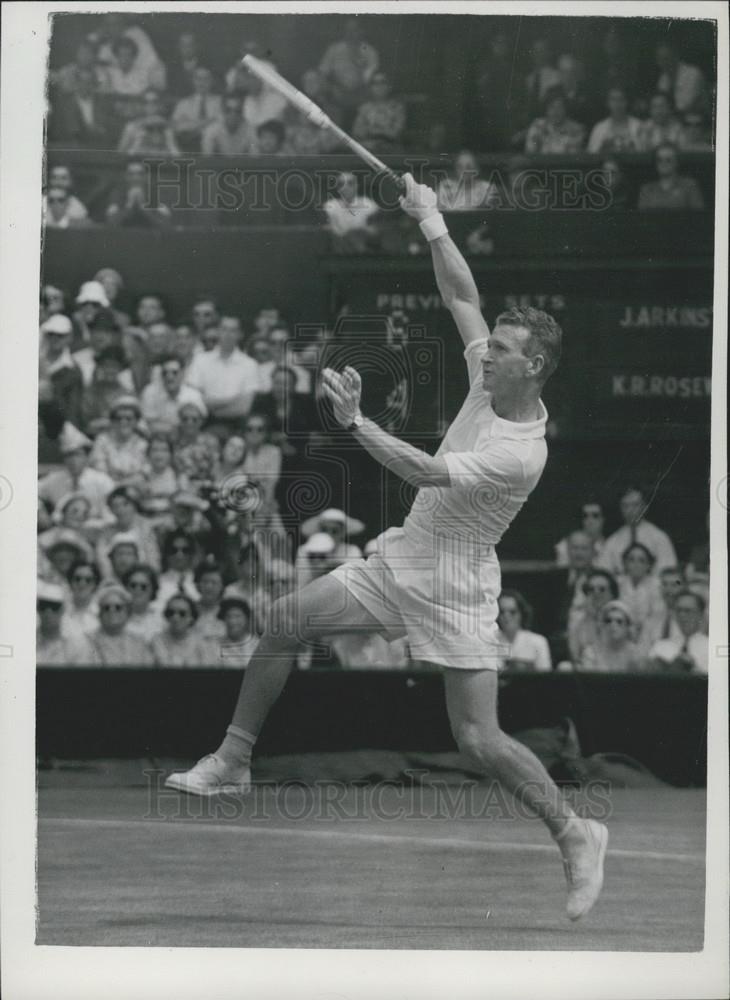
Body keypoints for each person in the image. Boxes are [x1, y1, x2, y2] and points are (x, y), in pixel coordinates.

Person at [166, 171, 608, 922]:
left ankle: (575, 831)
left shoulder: (520, 450)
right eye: (492, 345)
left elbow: (425, 469)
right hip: (407, 551)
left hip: (460, 581)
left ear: (532, 366)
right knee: (283, 620)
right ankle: (234, 760)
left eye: (501, 349)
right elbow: (463, 297)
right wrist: (432, 220)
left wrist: (355, 422)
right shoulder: (488, 379)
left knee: (478, 739)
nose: (486, 351)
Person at [186, 315, 261, 433]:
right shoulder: (200, 360)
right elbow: (193, 399)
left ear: (240, 335)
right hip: (203, 424)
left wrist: (211, 408)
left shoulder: (250, 364)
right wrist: (232, 400)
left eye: (233, 330)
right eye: (224, 329)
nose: (227, 334)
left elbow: (243, 408)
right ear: (218, 332)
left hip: (237, 426)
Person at [38, 422, 115, 520]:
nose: (73, 460)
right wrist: (39, 511)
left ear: (87, 457)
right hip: (62, 530)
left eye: (78, 455)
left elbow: (111, 512)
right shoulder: (54, 480)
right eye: (69, 456)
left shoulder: (102, 481)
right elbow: (29, 491)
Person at [597, 486, 677, 577]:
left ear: (645, 507)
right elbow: (603, 572)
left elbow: (667, 572)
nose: (630, 510)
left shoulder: (659, 537)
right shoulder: (613, 541)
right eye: (625, 506)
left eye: (635, 505)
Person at [318, 18, 380, 119]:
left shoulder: (369, 51)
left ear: (361, 31)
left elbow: (370, 77)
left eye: (355, 30)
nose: (351, 33)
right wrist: (332, 88)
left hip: (361, 93)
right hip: (336, 94)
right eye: (348, 30)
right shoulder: (334, 49)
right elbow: (323, 72)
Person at [87, 582, 154, 666]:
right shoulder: (88, 641)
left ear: (128, 612)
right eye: (106, 608)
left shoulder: (139, 642)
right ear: (99, 613)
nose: (112, 611)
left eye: (118, 607)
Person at [88, 396, 148, 485]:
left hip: (134, 490)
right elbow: (99, 471)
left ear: (136, 421)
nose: (123, 422)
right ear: (112, 421)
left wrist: (121, 484)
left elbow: (143, 475)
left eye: (128, 418)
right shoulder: (102, 441)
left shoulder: (142, 444)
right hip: (105, 488)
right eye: (118, 418)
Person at [140, 354, 205, 435]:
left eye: (174, 372)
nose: (169, 377)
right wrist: (176, 429)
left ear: (182, 374)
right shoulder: (150, 392)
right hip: (157, 439)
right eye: (165, 373)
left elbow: (197, 425)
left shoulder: (194, 395)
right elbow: (149, 424)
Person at [617, 542, 664, 655]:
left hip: (649, 633)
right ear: (625, 563)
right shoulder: (618, 584)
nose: (636, 564)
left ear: (649, 565)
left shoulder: (657, 585)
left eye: (641, 560)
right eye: (631, 559)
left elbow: (657, 614)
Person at [38, 315, 84, 427]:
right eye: (51, 334)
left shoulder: (73, 370)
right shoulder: (33, 359)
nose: (55, 339)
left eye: (60, 335)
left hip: (54, 427)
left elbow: (72, 410)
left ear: (70, 337)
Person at [567, 569, 619, 665]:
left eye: (602, 589)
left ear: (612, 594)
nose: (596, 593)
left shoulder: (621, 618)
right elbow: (575, 656)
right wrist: (590, 617)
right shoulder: (579, 621)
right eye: (591, 589)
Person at [648, 590, 708, 673]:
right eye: (678, 610)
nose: (682, 615)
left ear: (700, 614)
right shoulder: (660, 646)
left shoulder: (710, 648)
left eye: (688, 611)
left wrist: (693, 668)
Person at [37, 581, 94, 667]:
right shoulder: (25, 642)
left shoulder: (77, 644)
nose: (48, 612)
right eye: (43, 606)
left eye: (54, 606)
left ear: (62, 610)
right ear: (37, 608)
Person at [496, 590, 552, 672]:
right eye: (502, 612)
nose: (506, 616)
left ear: (521, 613)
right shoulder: (489, 641)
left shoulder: (539, 641)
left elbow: (545, 676)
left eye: (512, 612)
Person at [322, 172, 379, 252]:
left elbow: (374, 231)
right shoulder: (331, 206)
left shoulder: (369, 204)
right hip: (339, 251)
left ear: (356, 185)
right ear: (337, 187)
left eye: (350, 183)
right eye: (341, 184)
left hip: (364, 250)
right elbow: (330, 230)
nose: (345, 187)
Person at [579, 600, 642, 673]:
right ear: (603, 625)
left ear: (628, 627)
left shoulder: (636, 654)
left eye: (619, 622)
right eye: (608, 621)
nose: (613, 625)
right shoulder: (591, 653)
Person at [637, 144, 705, 211]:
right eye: (659, 160)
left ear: (677, 162)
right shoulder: (646, 190)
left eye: (668, 160)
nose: (663, 163)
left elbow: (698, 218)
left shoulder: (690, 186)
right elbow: (642, 219)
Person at [351, 71, 406, 153]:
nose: (379, 86)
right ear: (370, 87)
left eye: (382, 82)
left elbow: (395, 133)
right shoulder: (365, 108)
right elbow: (357, 132)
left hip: (391, 150)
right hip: (368, 148)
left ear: (389, 86)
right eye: (375, 83)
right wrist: (382, 131)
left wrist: (371, 131)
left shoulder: (397, 108)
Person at [172, 67, 223, 152]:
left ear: (211, 81)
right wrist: (207, 122)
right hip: (189, 146)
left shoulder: (219, 102)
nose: (202, 82)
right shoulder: (183, 103)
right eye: (198, 78)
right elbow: (176, 126)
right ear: (193, 81)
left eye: (206, 79)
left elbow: (221, 124)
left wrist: (191, 124)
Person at [152, 594, 208, 667]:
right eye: (171, 613)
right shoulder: (157, 641)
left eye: (182, 613)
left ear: (192, 617)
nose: (175, 617)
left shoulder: (201, 643)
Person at [117, 90, 180, 155]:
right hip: (137, 160)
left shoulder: (167, 125)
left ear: (160, 104)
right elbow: (121, 152)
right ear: (141, 104)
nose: (150, 105)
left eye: (154, 102)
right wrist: (138, 139)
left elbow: (176, 154)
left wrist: (168, 135)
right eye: (146, 102)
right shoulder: (131, 126)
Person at [524, 89, 585, 155]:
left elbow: (573, 158)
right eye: (551, 107)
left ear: (566, 109)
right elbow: (530, 153)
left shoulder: (576, 129)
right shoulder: (537, 126)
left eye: (560, 107)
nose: (555, 111)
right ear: (546, 109)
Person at [654, 42, 707, 115]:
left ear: (676, 57)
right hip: (674, 122)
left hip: (698, 121)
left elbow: (684, 106)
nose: (663, 63)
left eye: (666, 58)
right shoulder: (663, 78)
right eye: (660, 59)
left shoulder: (693, 74)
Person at [587, 87, 643, 154]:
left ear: (626, 102)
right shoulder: (599, 128)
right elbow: (592, 155)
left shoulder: (638, 125)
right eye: (613, 100)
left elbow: (643, 152)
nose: (617, 104)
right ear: (608, 103)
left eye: (621, 99)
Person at [213, 595, 259, 670]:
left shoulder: (258, 646)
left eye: (237, 616)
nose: (232, 621)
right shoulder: (216, 645)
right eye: (228, 616)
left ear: (247, 619)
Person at [555, 500, 606, 567]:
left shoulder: (611, 544)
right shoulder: (565, 545)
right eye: (585, 516)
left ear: (603, 519)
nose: (590, 520)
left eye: (595, 516)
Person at [61, 559, 101, 643]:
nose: (82, 584)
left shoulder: (103, 611)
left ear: (95, 584)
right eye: (77, 579)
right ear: (70, 581)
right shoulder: (59, 610)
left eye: (88, 580)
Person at [123, 564, 163, 641]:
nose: (137, 590)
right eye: (133, 585)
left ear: (153, 590)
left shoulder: (162, 618)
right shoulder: (117, 615)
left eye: (143, 586)